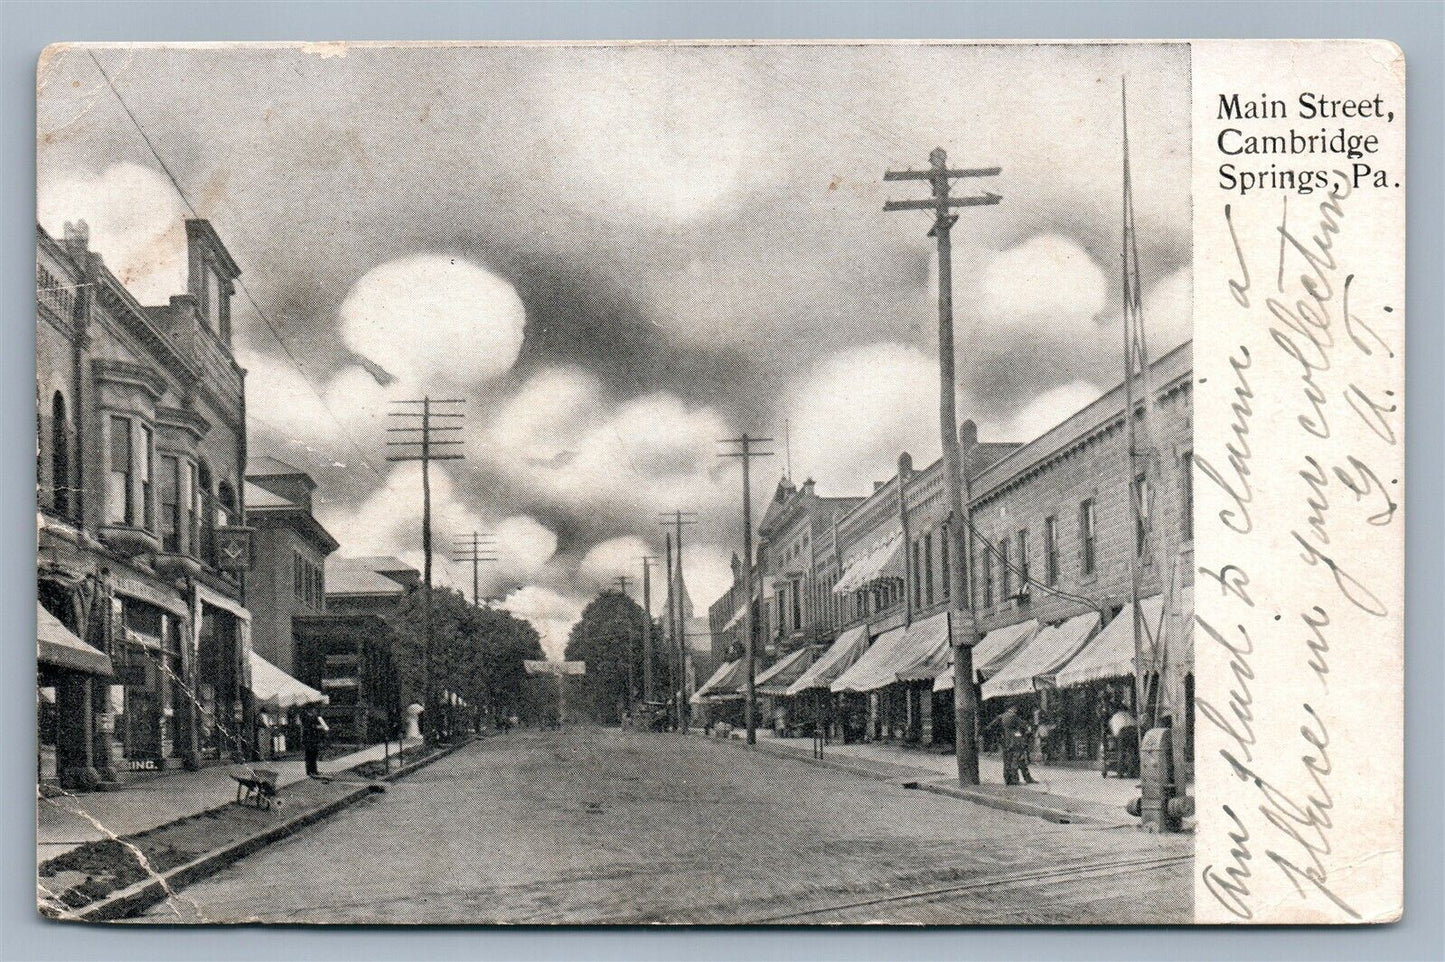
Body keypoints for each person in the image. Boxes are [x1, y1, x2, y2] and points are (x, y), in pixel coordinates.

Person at [985, 705, 1037, 785]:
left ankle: (1008, 780)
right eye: (1016, 708)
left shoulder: (1001, 716)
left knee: (1007, 761)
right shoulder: (1014, 716)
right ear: (1013, 708)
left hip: (1005, 742)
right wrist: (1027, 731)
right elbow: (1023, 727)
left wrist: (999, 735)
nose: (1016, 710)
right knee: (1017, 760)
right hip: (1015, 741)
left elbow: (990, 727)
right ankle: (1017, 779)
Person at [301, 708, 328, 778]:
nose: (315, 711)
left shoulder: (313, 717)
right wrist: (318, 727)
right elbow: (309, 727)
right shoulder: (306, 716)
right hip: (308, 739)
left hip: (313, 739)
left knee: (314, 754)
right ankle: (309, 771)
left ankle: (314, 770)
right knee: (309, 755)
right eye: (314, 710)